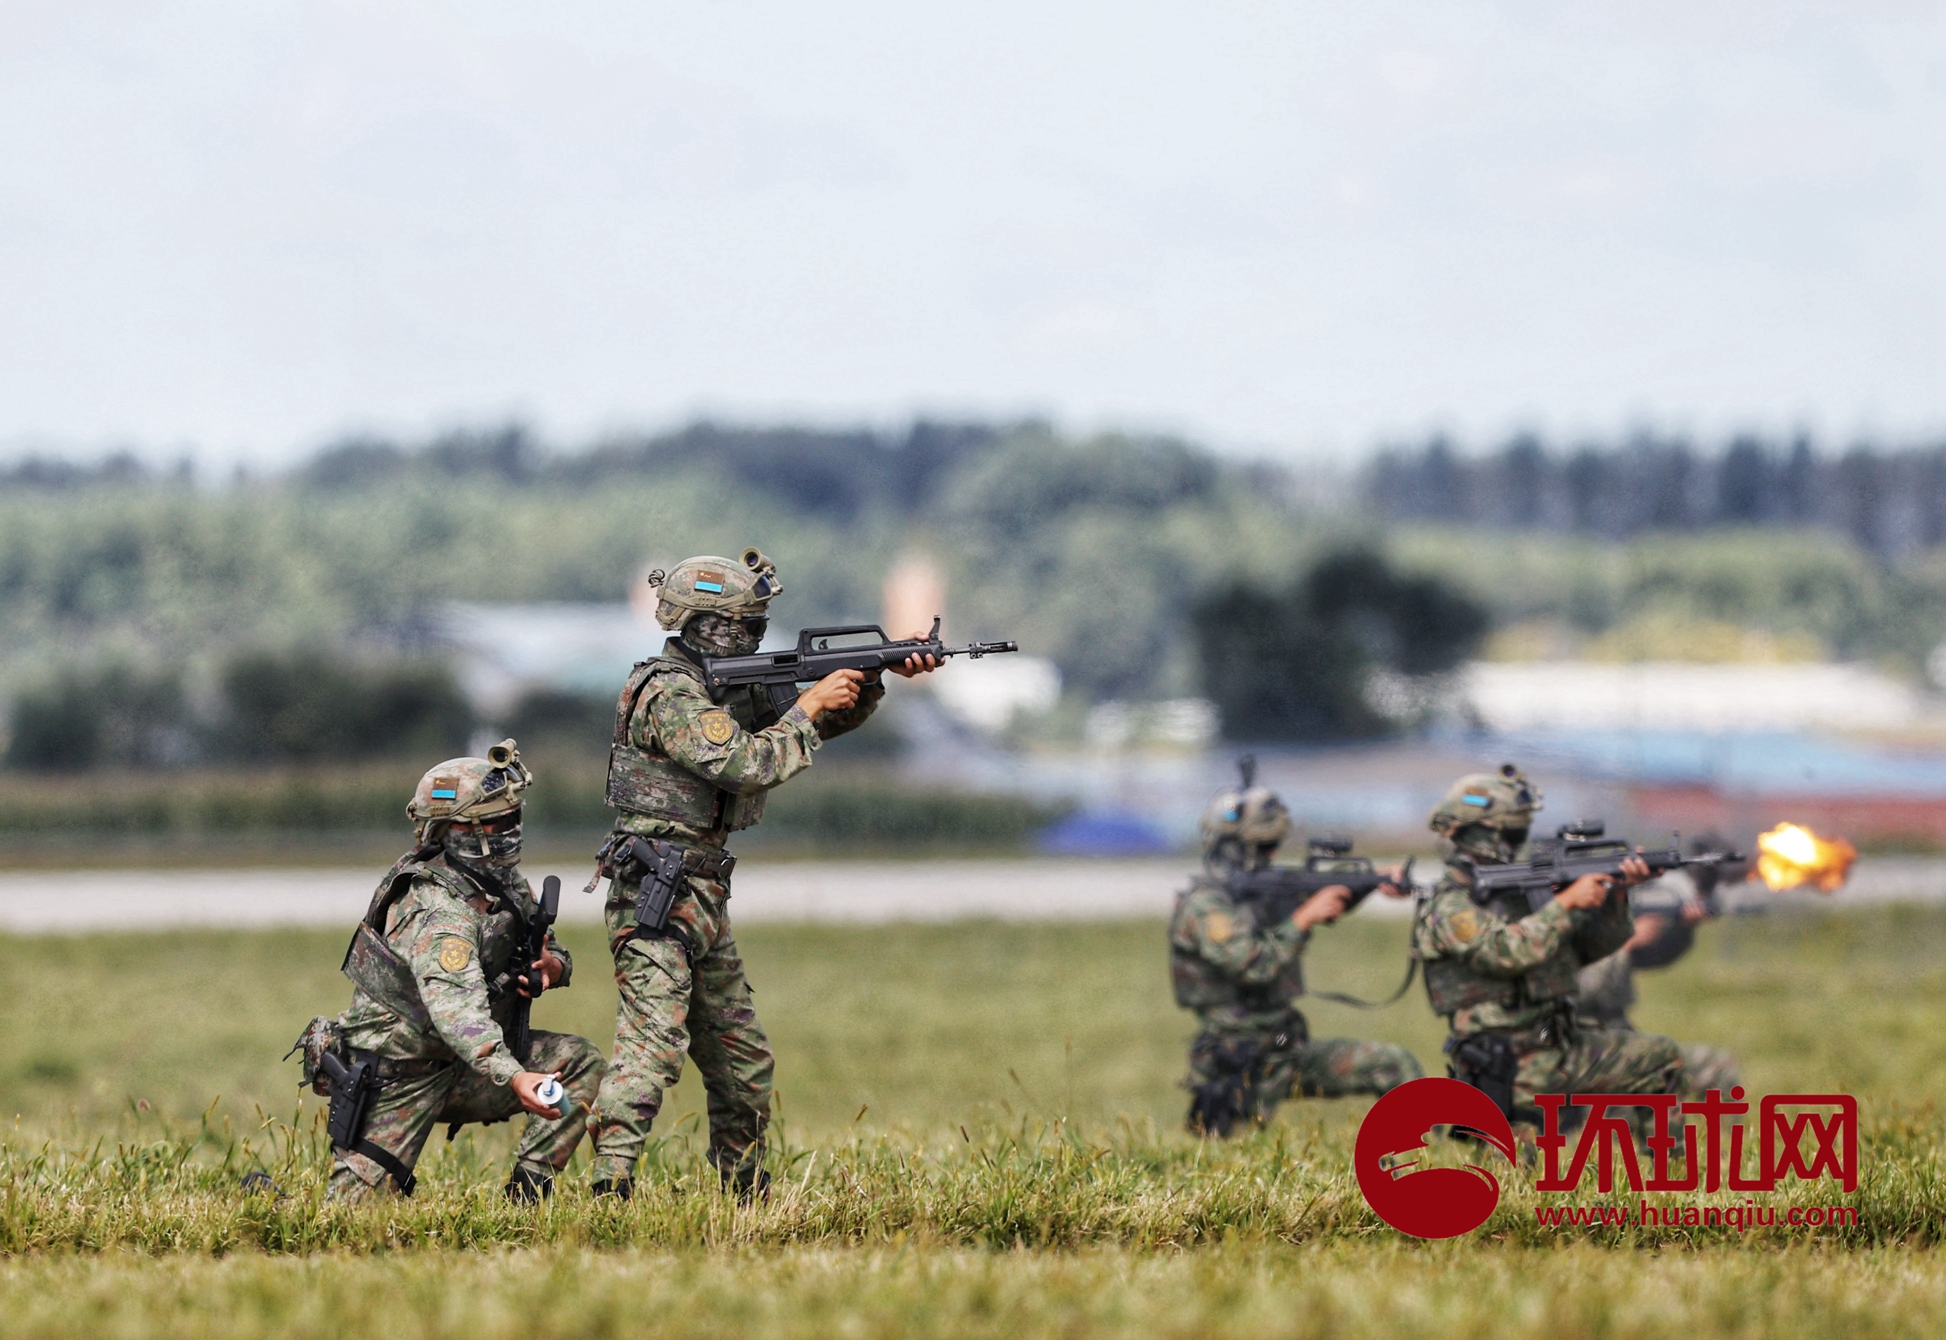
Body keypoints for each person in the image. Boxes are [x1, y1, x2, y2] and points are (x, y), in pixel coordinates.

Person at [586, 548, 936, 1199]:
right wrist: (807, 707)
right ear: (709, 622)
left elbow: (805, 723)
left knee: (742, 1062)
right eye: (744, 621)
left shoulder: (722, 683)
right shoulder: (670, 693)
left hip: (702, 896)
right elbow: (749, 762)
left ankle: (744, 1192)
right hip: (656, 896)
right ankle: (609, 1188)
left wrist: (873, 678)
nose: (754, 632)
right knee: (650, 1050)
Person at [297, 741, 606, 1202]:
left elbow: (543, 945)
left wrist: (554, 966)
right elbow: (458, 1013)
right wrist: (516, 1076)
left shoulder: (496, 880)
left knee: (580, 1063)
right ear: (452, 829)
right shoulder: (439, 910)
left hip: (463, 1068)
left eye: (514, 818)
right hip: (401, 1076)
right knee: (345, 1219)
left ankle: (526, 1200)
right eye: (497, 823)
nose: (511, 831)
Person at [1411, 764, 1682, 1129]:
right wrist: (1566, 903)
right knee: (1512, 1177)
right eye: (1511, 831)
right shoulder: (1451, 904)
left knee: (1660, 1058)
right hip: (1506, 1066)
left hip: (1555, 1047)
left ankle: (1673, 1173)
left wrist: (1617, 894)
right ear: (1481, 832)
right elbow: (1504, 954)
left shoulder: (1519, 895)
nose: (1518, 839)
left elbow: (1588, 949)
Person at [1170, 776, 1423, 1137]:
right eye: (1262, 846)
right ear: (1232, 846)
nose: (1271, 854)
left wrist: (1373, 880)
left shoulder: (1264, 890)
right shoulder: (1206, 906)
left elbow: (1319, 889)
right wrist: (1305, 918)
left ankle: (1415, 1164)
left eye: (1273, 845)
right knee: (1225, 1159)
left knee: (1394, 1065)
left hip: (1285, 1049)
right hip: (1237, 1061)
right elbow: (1253, 965)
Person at [1575, 853, 1741, 1099]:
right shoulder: (1552, 929)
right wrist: (1625, 942)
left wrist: (1683, 928)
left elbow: (1650, 959)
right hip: (1573, 1048)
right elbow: (1578, 990)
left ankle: (1728, 1135)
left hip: (1613, 1037)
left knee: (1715, 1065)